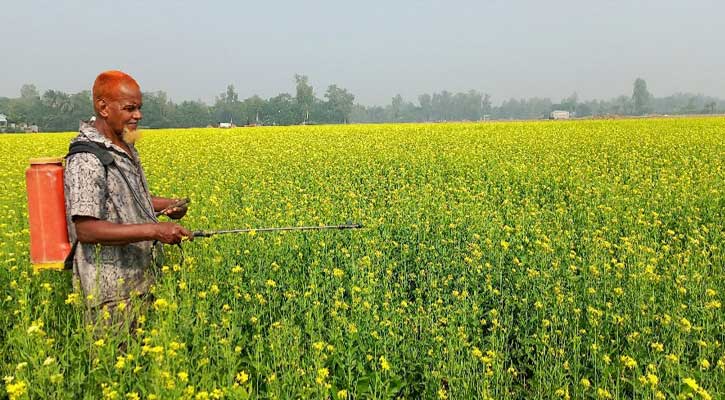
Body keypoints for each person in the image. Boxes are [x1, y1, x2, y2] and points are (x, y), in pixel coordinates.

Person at [64, 70, 192, 323]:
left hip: (143, 285)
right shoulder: (86, 158)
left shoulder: (123, 146)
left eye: (139, 108)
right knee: (115, 361)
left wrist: (166, 205)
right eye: (129, 108)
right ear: (103, 107)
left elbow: (122, 199)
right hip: (110, 297)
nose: (138, 115)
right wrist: (155, 231)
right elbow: (87, 229)